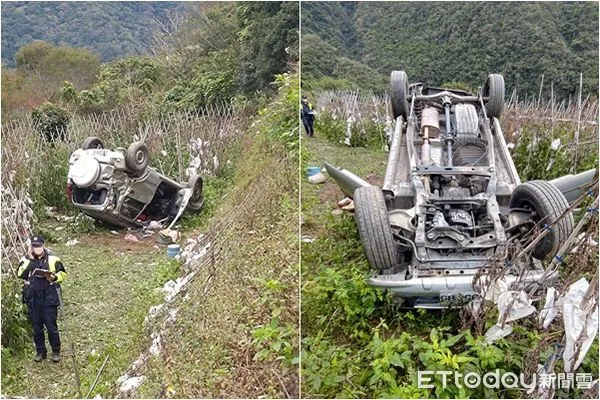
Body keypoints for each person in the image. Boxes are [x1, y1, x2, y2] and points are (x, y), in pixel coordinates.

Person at [17, 235, 66, 363]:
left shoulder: (53, 259)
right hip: (33, 299)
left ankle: (55, 351)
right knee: (37, 328)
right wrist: (30, 259)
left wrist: (54, 277)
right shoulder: (25, 260)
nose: (37, 248)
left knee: (51, 326)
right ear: (31, 248)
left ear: (43, 245)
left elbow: (63, 273)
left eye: (39, 246)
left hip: (49, 297)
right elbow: (20, 274)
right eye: (35, 246)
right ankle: (40, 351)